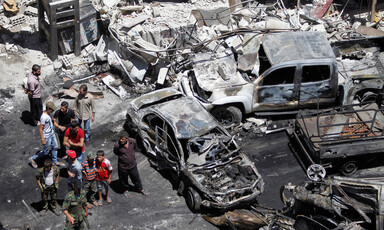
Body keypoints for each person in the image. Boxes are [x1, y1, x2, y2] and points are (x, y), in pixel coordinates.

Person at [29, 101, 65, 168]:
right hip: (47, 136)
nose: (53, 110)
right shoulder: (44, 117)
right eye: (52, 109)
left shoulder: (49, 114)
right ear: (48, 109)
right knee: (45, 152)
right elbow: (40, 129)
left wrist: (59, 127)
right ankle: (32, 158)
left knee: (55, 147)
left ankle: (55, 161)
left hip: (51, 133)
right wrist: (43, 139)